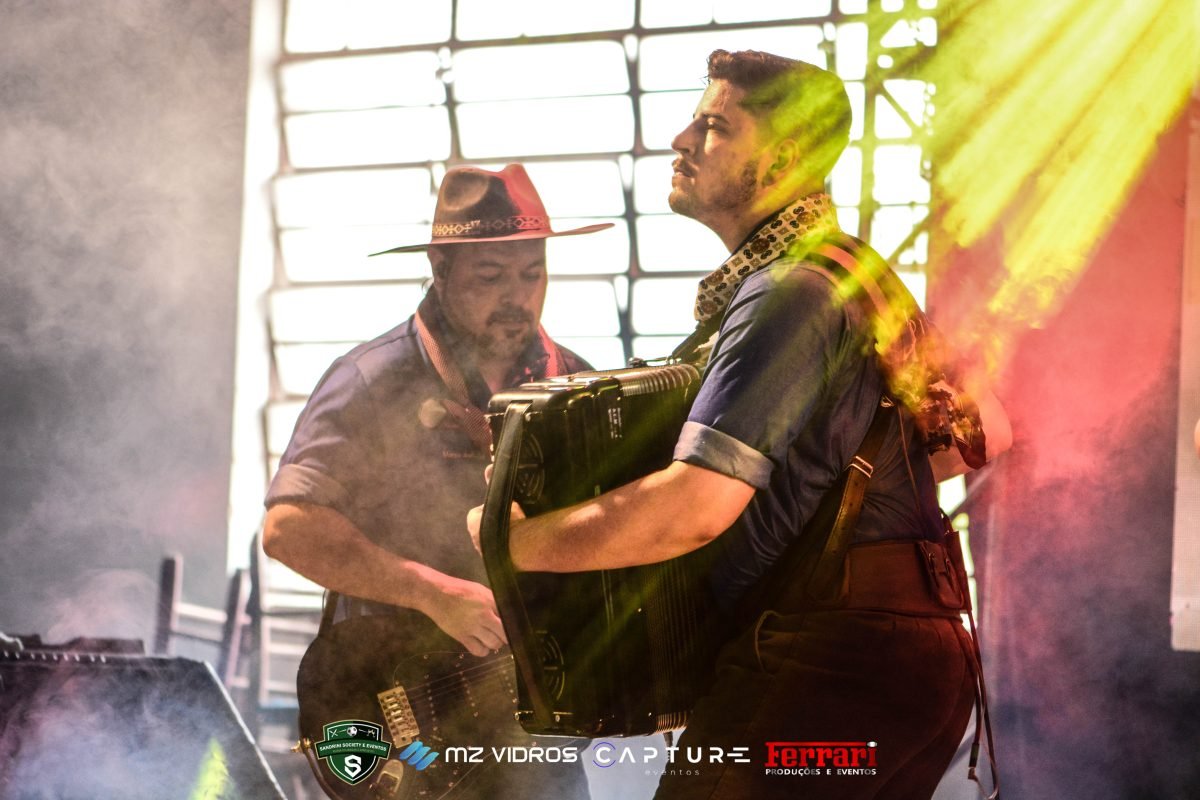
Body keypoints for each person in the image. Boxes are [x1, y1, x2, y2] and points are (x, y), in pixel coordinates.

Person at [470, 51, 1012, 799]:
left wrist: (514, 544)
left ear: (783, 160)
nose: (680, 140)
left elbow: (695, 509)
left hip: (828, 663)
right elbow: (983, 433)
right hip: (914, 664)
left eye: (714, 127)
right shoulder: (857, 274)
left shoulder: (786, 290)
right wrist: (824, 480)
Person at [263, 164, 605, 798]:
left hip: (536, 726)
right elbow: (288, 528)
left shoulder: (578, 387)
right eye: (490, 277)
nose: (517, 296)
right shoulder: (372, 379)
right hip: (399, 709)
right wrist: (433, 593)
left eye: (532, 274)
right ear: (440, 269)